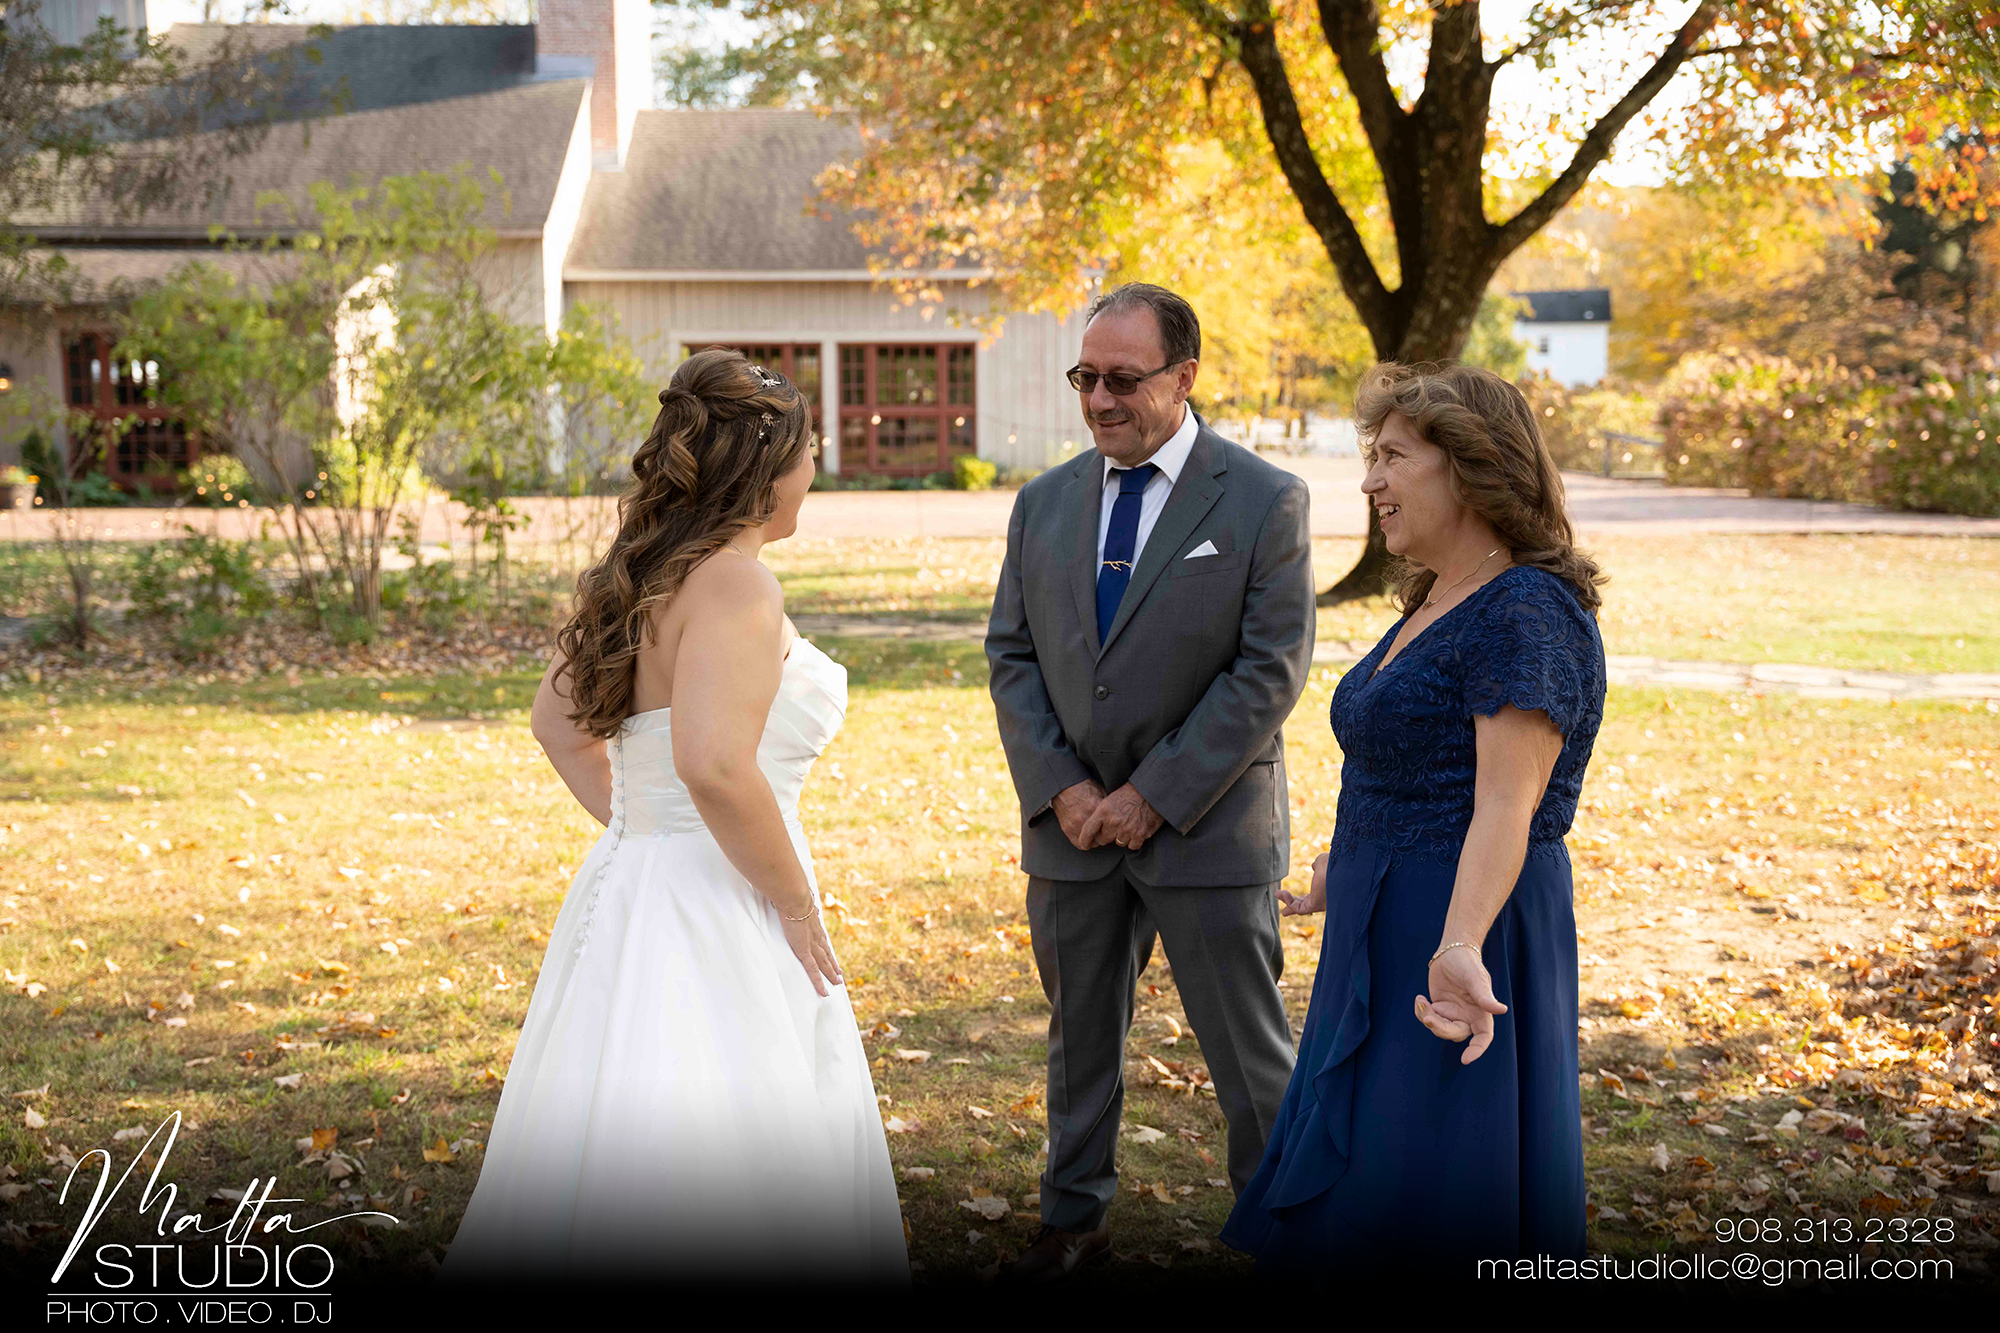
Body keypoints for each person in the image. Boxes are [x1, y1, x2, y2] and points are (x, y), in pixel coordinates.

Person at [440, 348, 908, 1288]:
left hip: (636, 880)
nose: (814, 470)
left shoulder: (641, 571)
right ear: (771, 468)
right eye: (809, 452)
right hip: (718, 898)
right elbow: (713, 762)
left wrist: (642, 829)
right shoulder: (737, 584)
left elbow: (556, 725)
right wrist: (792, 900)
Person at [1221, 362, 1608, 1276]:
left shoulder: (1526, 611)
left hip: (1463, 931)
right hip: (1385, 919)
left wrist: (1461, 942)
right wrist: (1347, 859)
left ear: (1469, 467)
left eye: (1392, 457)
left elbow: (1506, 802)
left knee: (1426, 1174)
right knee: (1366, 1161)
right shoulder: (1438, 592)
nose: (1369, 482)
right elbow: (1405, 764)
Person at [985, 283, 1316, 1283]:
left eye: (1122, 379)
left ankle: (1285, 1228)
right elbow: (1011, 655)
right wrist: (1064, 789)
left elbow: (1268, 670)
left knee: (1249, 1054)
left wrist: (1152, 794)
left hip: (1205, 828)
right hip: (1072, 833)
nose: (1098, 399)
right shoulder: (1042, 502)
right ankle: (1071, 1223)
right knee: (1077, 1045)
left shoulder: (1264, 499)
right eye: (1084, 377)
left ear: (1185, 376)